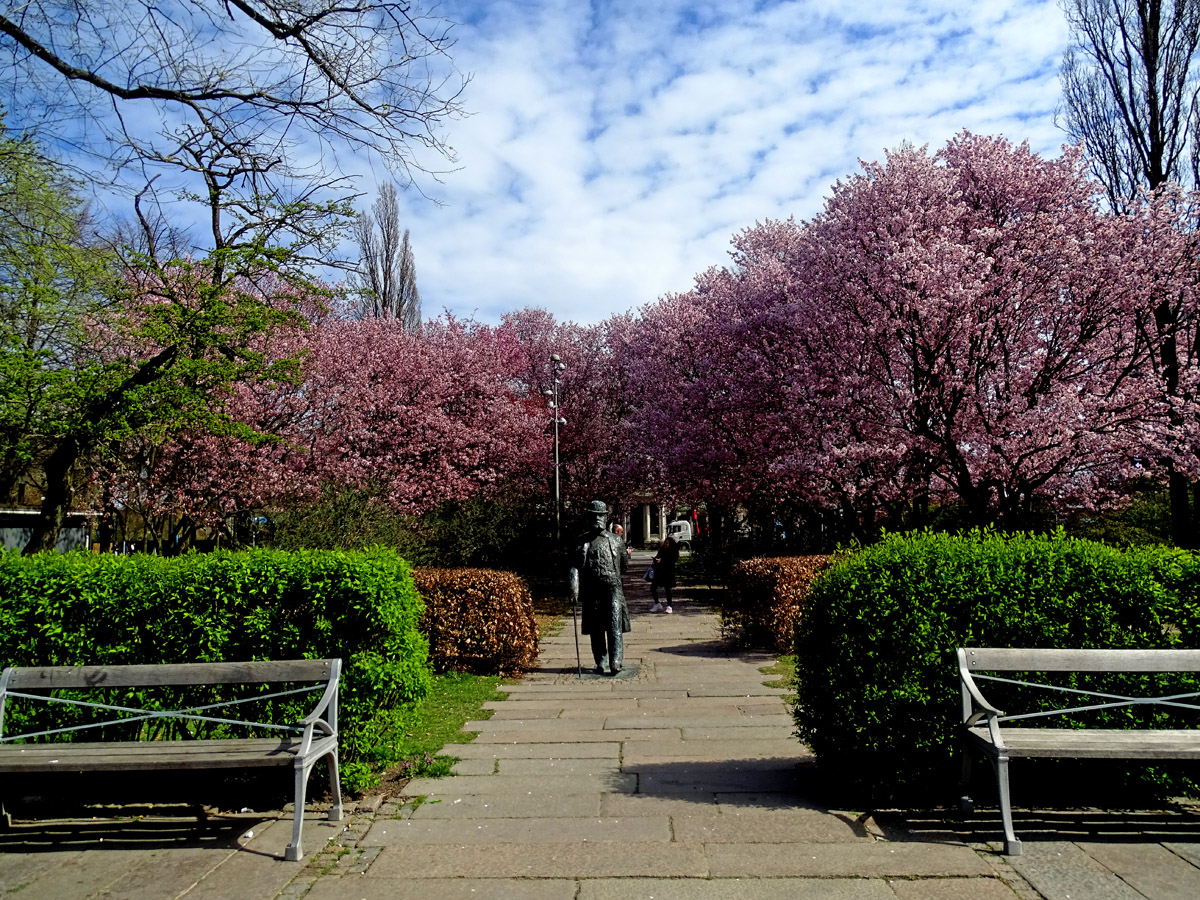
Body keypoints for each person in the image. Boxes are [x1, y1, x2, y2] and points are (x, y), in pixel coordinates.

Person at [569, 501, 631, 675]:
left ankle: (616, 661)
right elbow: (574, 566)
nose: (597, 519)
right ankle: (600, 660)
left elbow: (624, 565)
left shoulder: (616, 540)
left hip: (613, 589)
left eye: (600, 515)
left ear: (605, 517)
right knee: (596, 628)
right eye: (594, 515)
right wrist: (574, 589)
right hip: (592, 589)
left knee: (614, 625)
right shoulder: (583, 540)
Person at [649, 535, 680, 614]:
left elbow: (671, 561)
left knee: (667, 589)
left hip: (668, 573)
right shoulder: (662, 550)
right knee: (653, 587)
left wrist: (661, 561)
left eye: (667, 543)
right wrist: (656, 560)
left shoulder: (673, 551)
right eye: (665, 543)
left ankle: (669, 606)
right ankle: (657, 603)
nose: (665, 544)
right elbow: (657, 557)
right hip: (659, 573)